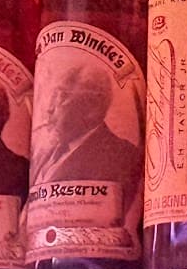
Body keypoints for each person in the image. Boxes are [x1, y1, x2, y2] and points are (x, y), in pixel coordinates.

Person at [32, 60, 141, 224]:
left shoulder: (122, 156)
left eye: (61, 97)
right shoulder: (47, 153)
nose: (49, 109)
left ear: (92, 108)